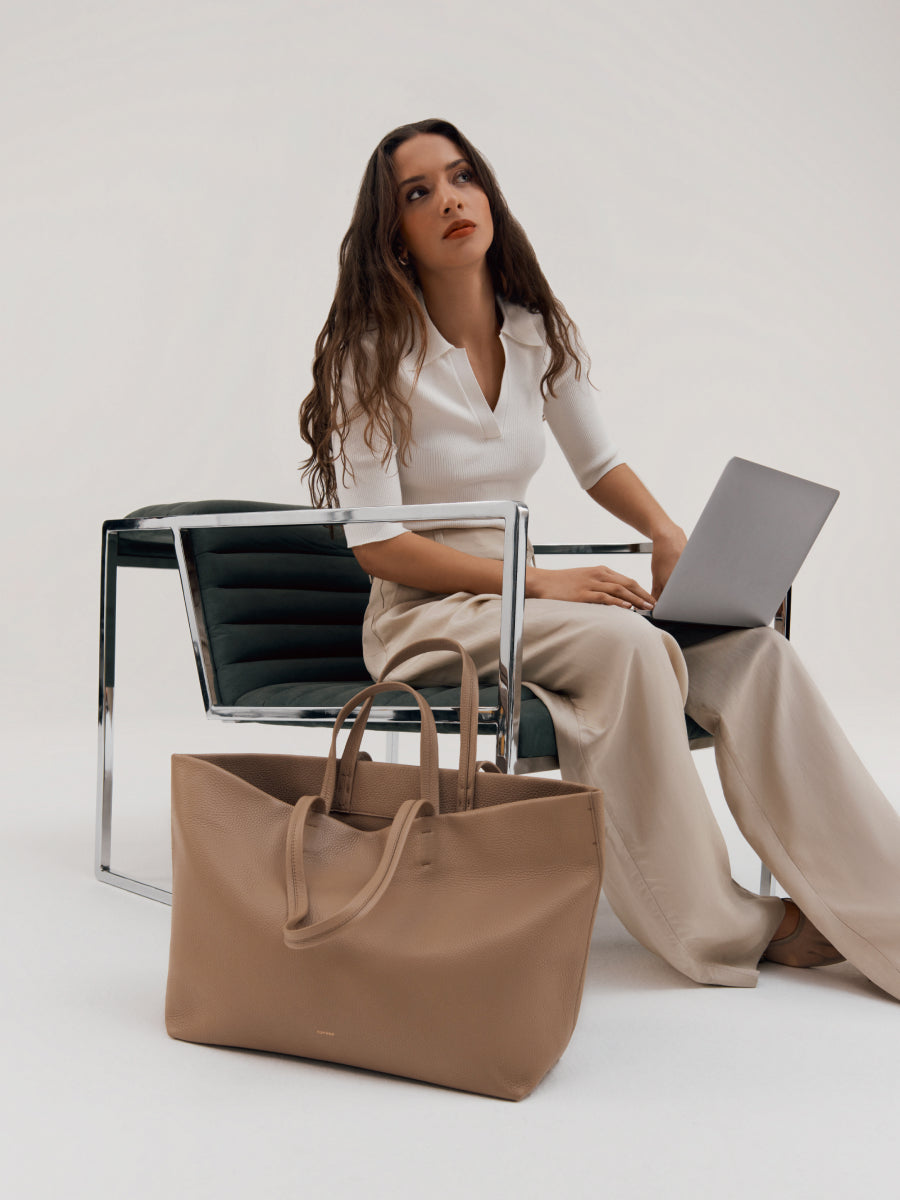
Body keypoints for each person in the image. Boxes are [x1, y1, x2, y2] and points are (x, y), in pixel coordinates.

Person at [298, 117, 900, 1001]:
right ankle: (720, 925)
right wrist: (537, 582)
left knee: (751, 654)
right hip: (425, 618)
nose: (449, 200)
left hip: (528, 609)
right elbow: (379, 542)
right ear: (392, 234)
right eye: (417, 193)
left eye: (461, 177)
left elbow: (600, 463)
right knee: (629, 645)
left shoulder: (534, 331)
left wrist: (666, 533)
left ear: (489, 194)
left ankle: (880, 904)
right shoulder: (369, 359)